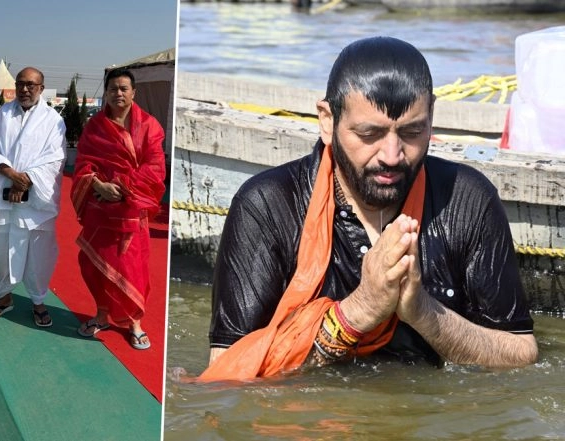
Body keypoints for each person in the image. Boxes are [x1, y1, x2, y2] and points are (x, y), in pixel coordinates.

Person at [200, 37, 538, 381]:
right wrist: (357, 312)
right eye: (369, 133)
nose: (392, 155)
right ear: (327, 120)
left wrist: (422, 311)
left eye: (412, 131)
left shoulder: (467, 200)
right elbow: (226, 374)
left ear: (431, 117)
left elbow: (521, 352)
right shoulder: (266, 206)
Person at [72, 68, 166, 350]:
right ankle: (102, 315)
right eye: (113, 88)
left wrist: (121, 186)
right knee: (93, 265)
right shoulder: (95, 126)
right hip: (100, 208)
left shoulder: (149, 126)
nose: (118, 93)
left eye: (124, 88)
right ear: (107, 92)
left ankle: (135, 322)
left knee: (132, 267)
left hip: (131, 210)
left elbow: (155, 168)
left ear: (134, 92)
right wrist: (97, 185)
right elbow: (83, 163)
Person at [0, 67, 65, 327]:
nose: (25, 89)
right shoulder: (1, 115)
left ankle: (38, 301)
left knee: (39, 255)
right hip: (3, 194)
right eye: (21, 84)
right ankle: (4, 297)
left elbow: (55, 158)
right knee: (1, 250)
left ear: (41, 88)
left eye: (31, 85)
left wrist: (26, 180)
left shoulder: (53, 120)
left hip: (36, 201)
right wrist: (11, 174)